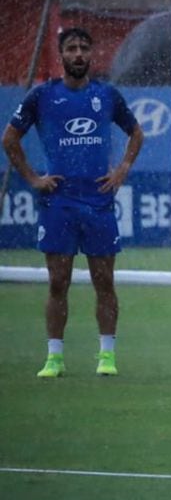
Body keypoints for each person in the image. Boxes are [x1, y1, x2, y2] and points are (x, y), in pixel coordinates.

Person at [3, 27, 144, 378]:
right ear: (61, 55)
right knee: (57, 282)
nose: (78, 54)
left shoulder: (106, 95)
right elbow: (10, 138)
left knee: (104, 281)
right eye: (72, 49)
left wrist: (122, 169)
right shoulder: (42, 96)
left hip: (98, 201)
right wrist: (34, 178)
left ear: (91, 55)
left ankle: (106, 355)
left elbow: (136, 132)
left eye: (84, 48)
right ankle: (54, 357)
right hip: (59, 202)